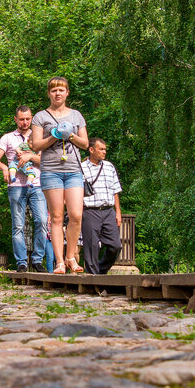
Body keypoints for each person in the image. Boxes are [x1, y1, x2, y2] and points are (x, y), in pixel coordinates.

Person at [29, 76, 89, 274]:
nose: (57, 93)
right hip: (51, 170)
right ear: (49, 94)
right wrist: (53, 136)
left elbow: (85, 144)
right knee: (56, 216)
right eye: (54, 90)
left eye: (61, 90)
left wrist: (69, 135)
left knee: (76, 215)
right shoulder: (40, 117)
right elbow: (36, 145)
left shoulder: (76, 116)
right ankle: (60, 262)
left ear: (67, 93)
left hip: (73, 171)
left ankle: (72, 257)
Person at [0, 106, 51, 273]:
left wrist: (31, 156)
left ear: (32, 119)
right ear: (16, 119)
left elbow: (47, 162)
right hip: (16, 187)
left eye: (28, 119)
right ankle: (22, 262)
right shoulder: (8, 138)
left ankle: (38, 260)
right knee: (18, 225)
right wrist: (4, 168)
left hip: (37, 184)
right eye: (22, 119)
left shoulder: (39, 138)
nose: (25, 122)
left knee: (42, 222)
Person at [80, 137, 123, 274]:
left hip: (108, 210)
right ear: (91, 150)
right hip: (90, 210)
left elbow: (115, 190)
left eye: (105, 149)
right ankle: (92, 276)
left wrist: (118, 212)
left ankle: (100, 270)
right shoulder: (81, 168)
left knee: (115, 246)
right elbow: (77, 191)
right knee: (91, 246)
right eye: (101, 149)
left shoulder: (109, 166)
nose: (104, 152)